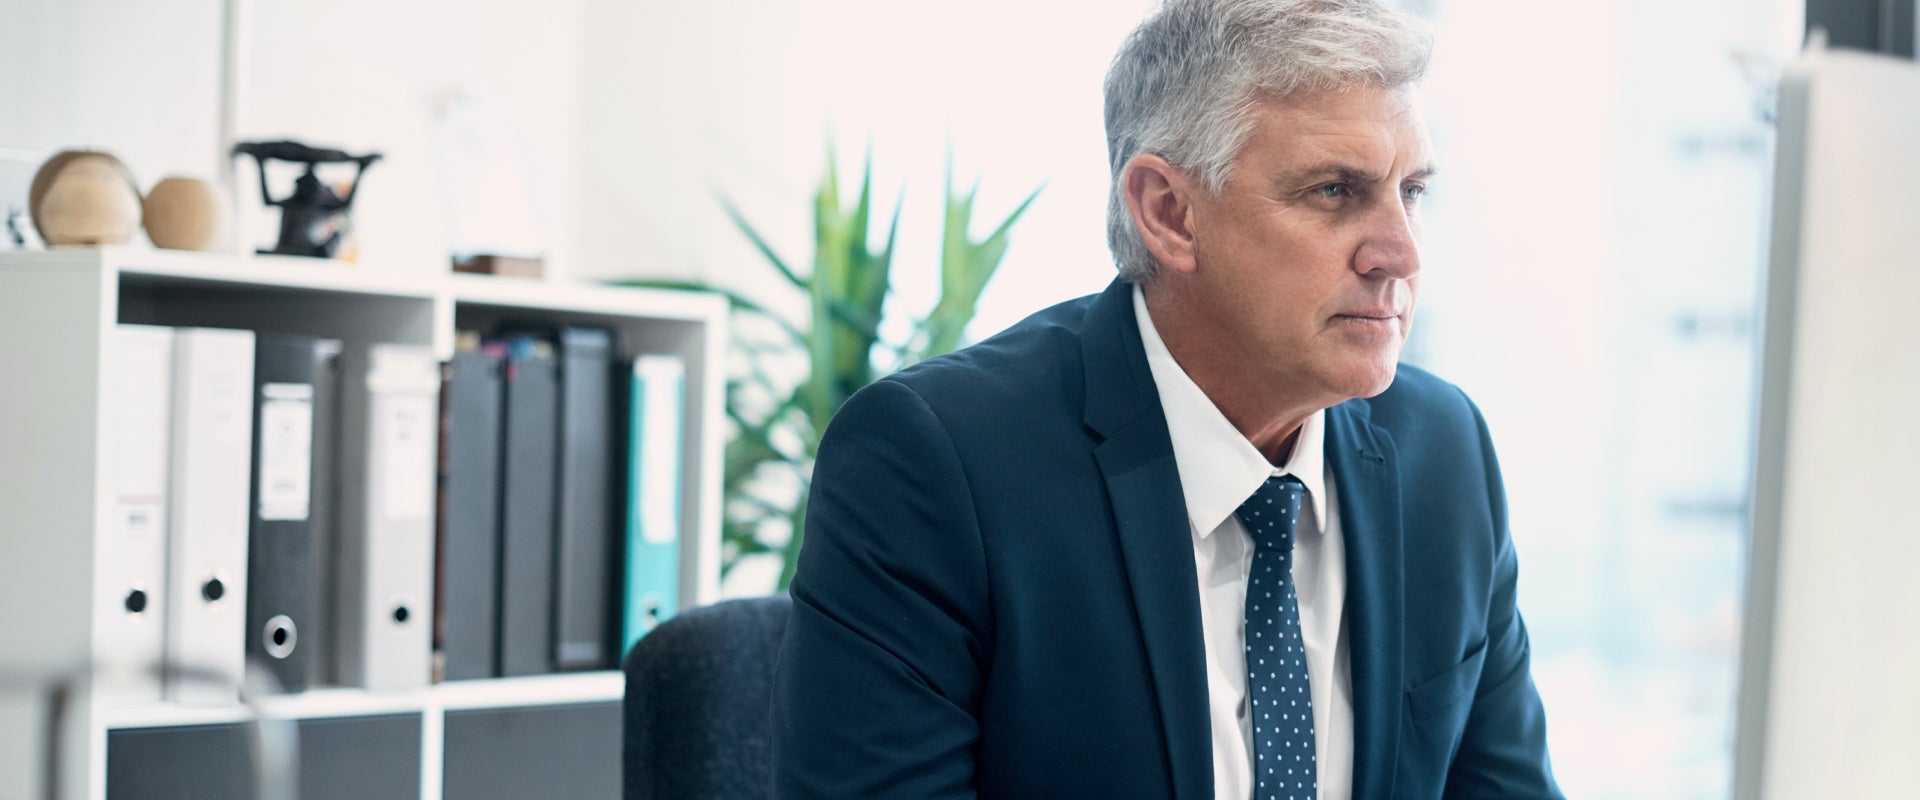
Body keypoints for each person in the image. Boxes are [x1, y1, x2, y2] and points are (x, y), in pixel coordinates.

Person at [772, 0, 1563, 797]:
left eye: (1413, 190)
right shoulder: (937, 463)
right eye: (1334, 191)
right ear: (1169, 213)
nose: (1401, 252)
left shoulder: (1443, 452)